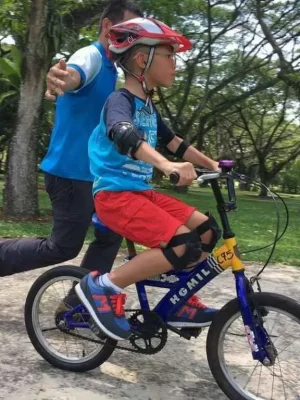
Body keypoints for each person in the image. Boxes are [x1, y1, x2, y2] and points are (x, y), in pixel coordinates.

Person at [75, 17, 221, 341]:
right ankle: (104, 287)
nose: (175, 64)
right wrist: (167, 165)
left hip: (140, 193)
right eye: (169, 56)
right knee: (182, 243)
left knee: (207, 232)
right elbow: (123, 133)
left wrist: (214, 164)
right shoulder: (120, 101)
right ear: (143, 60)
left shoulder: (149, 108)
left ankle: (180, 302)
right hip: (115, 195)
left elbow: (175, 142)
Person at [0, 0, 143, 281]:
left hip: (94, 176)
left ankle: (82, 303)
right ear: (106, 26)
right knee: (63, 246)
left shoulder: (113, 69)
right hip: (70, 174)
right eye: (127, 30)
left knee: (111, 234)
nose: (131, 39)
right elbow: (74, 73)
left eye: (135, 34)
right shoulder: (91, 56)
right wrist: (63, 78)